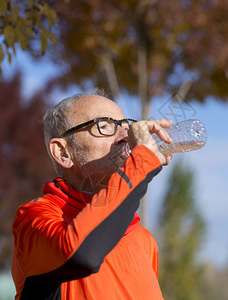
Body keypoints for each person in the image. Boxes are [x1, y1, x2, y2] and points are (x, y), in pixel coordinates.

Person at [11, 90, 173, 300]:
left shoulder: (143, 239)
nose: (126, 136)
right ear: (63, 153)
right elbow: (81, 254)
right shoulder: (33, 219)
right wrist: (141, 163)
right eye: (104, 126)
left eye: (125, 126)